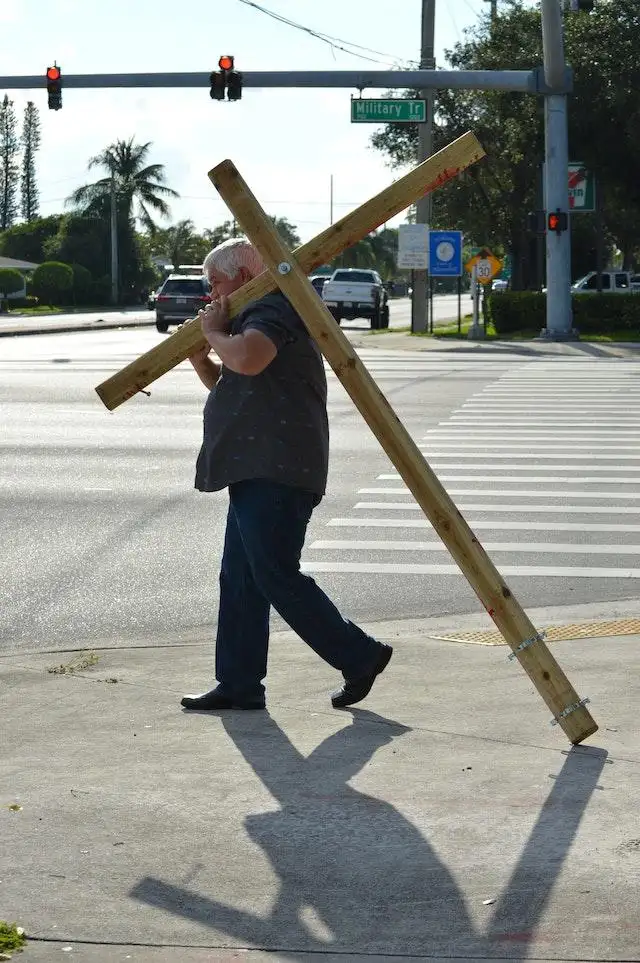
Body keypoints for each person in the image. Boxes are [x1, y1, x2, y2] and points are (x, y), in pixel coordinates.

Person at [180, 237, 392, 712]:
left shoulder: (272, 307)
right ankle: (238, 683)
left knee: (274, 574)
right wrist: (204, 361)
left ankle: (360, 655)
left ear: (244, 276)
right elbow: (239, 386)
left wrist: (213, 334)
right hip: (257, 468)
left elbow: (250, 358)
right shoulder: (256, 316)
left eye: (216, 283)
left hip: (277, 468)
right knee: (240, 578)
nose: (213, 295)